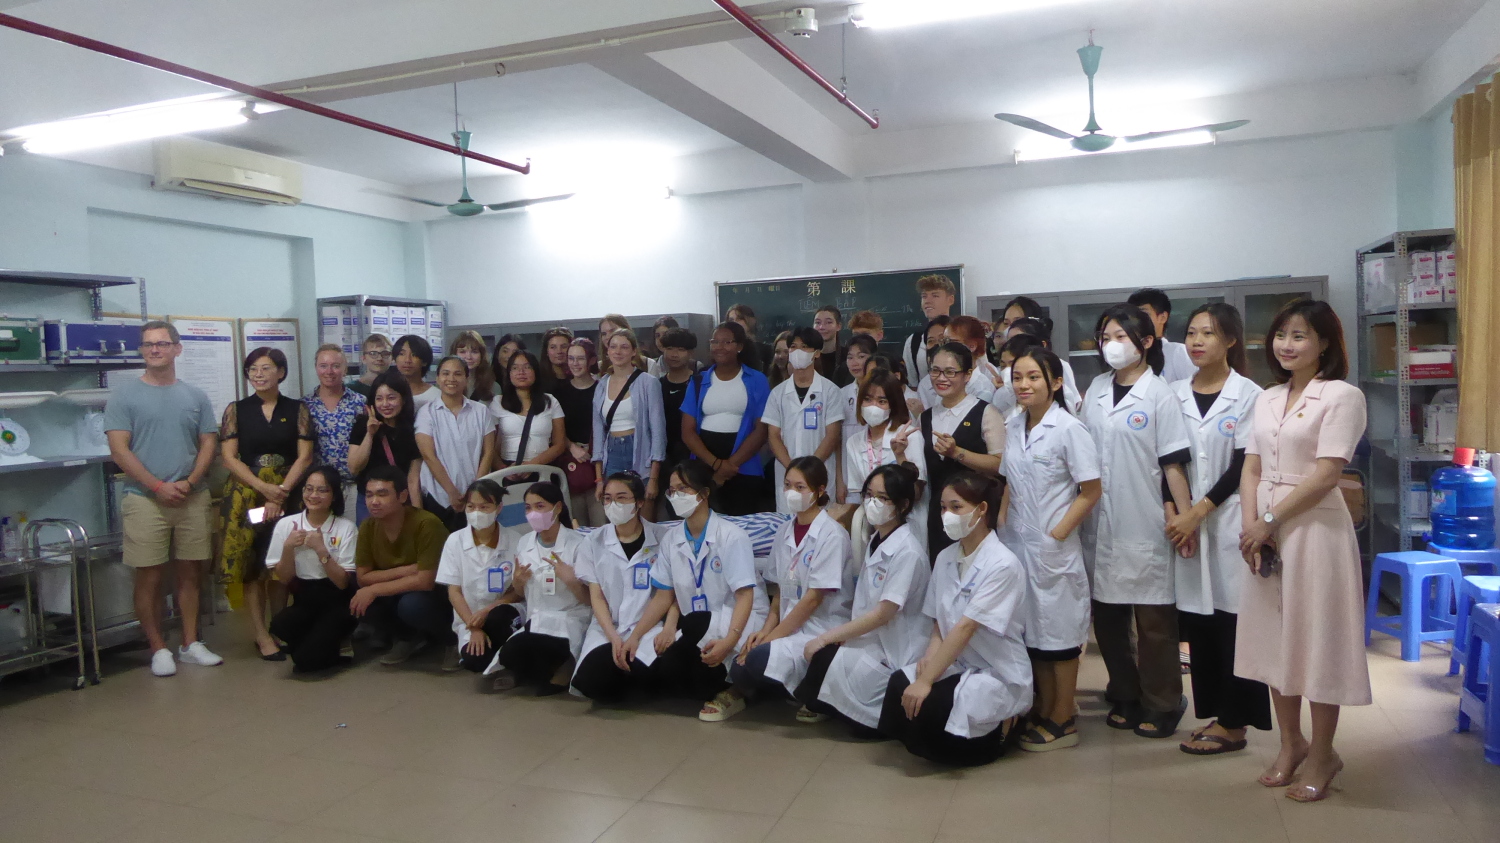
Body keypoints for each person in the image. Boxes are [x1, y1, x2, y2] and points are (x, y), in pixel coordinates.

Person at [1235, 300, 1368, 802]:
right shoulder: (1266, 397)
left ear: (1326, 344)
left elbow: (1327, 473)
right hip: (1263, 534)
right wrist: (1252, 524)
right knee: (1274, 641)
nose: (1287, 345)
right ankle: (1291, 743)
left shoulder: (1341, 396)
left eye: (1300, 336)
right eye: (1281, 335)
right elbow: (1250, 466)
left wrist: (1269, 520)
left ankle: (1323, 753)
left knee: (1317, 640)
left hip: (1314, 530)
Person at [1161, 303, 1272, 756]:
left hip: (1228, 523)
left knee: (1233, 624)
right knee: (1200, 626)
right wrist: (1178, 514)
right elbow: (1167, 459)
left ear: (1230, 340)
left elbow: (1242, 466)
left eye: (1209, 333)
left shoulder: (1249, 395)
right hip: (1188, 526)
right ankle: (1217, 716)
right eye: (1191, 333)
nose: (1197, 341)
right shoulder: (1172, 393)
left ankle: (1235, 723)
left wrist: (1196, 514)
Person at [1081, 304, 1193, 739]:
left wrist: (1184, 520)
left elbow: (1173, 464)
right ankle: (1124, 691)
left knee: (1154, 624)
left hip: (1144, 520)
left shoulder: (1160, 394)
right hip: (1098, 523)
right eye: (1105, 337)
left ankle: (1164, 700)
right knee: (1107, 617)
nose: (1111, 345)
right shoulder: (1095, 388)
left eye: (1121, 337)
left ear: (1146, 342)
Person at [880, 471, 1031, 766]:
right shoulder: (946, 557)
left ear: (982, 509)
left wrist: (927, 679)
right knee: (900, 683)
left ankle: (1004, 728)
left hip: (995, 668)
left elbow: (965, 627)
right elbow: (939, 621)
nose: (946, 515)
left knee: (932, 704)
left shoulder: (1003, 564)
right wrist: (930, 658)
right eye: (943, 508)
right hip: (958, 661)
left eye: (956, 507)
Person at [104, 320, 223, 677]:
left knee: (191, 571)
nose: (154, 350)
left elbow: (208, 443)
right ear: (142, 351)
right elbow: (119, 449)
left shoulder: (195, 396)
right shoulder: (124, 396)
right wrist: (157, 486)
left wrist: (190, 480)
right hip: (144, 499)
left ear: (177, 348)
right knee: (150, 575)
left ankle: (190, 643)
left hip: (191, 495)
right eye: (148, 345)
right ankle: (158, 648)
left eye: (161, 343)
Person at [997, 347, 1102, 751]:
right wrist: (1003, 526)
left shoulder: (1068, 429)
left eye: (1033, 377)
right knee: (1033, 632)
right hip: (1019, 545)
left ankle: (1064, 717)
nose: (1023, 385)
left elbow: (1091, 490)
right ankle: (1044, 707)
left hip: (1053, 547)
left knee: (1060, 635)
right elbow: (1008, 480)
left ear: (1056, 382)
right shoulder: (1013, 422)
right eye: (1017, 378)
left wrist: (1057, 533)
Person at [795, 464, 930, 734]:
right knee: (819, 661)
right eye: (869, 494)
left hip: (895, 652)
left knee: (823, 656)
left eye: (882, 498)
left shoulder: (907, 552)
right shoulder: (878, 540)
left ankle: (867, 716)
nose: (872, 503)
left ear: (903, 505)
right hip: (872, 641)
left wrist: (827, 636)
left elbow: (882, 614)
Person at [633, 460, 765, 720]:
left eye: (683, 489)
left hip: (737, 619)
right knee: (663, 674)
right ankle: (725, 684)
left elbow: (745, 595)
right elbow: (665, 594)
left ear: (704, 494)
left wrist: (729, 640)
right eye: (671, 491)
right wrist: (642, 635)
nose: (675, 496)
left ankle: (738, 689)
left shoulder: (731, 536)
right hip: (695, 623)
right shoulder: (672, 538)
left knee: (696, 635)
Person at [726, 457, 854, 721]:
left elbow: (812, 599)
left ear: (819, 491)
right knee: (738, 666)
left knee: (756, 660)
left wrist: (771, 639)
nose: (792, 493)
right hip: (789, 625)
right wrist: (765, 631)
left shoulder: (833, 535)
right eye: (787, 485)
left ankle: (814, 690)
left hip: (821, 626)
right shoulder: (784, 530)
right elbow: (780, 594)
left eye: (800, 487)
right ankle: (793, 686)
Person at [219, 347, 316, 660]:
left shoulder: (297, 408)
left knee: (278, 564)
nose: (258, 375)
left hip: (287, 493)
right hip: (247, 496)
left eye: (265, 368)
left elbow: (305, 456)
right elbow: (229, 457)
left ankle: (279, 627)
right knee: (252, 567)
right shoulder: (237, 409)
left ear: (281, 372)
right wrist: (263, 488)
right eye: (252, 370)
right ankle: (260, 634)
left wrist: (282, 491)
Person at [569, 473, 667, 702]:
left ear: (639, 502)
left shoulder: (663, 539)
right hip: (608, 626)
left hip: (648, 626)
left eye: (622, 498)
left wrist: (635, 636)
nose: (613, 505)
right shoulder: (593, 541)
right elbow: (598, 598)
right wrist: (613, 637)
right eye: (608, 499)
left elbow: (665, 596)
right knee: (591, 682)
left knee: (650, 675)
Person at [350, 466, 450, 666]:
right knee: (359, 594)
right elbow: (362, 577)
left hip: (438, 594)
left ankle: (451, 640)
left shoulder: (426, 524)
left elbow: (426, 581)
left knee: (411, 604)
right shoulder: (368, 526)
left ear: (403, 496)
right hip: (401, 587)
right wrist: (410, 569)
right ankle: (408, 637)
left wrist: (375, 588)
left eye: (382, 494)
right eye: (369, 495)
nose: (374, 502)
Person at [266, 465, 359, 673]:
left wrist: (321, 550)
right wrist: (289, 547)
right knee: (279, 626)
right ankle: (318, 643)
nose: (313, 495)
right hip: (305, 597)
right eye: (309, 489)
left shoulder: (346, 528)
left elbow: (342, 582)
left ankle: (337, 641)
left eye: (322, 490)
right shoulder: (286, 525)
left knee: (307, 661)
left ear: (334, 495)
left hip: (336, 599)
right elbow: (283, 578)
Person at [498, 482, 590, 693]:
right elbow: (522, 594)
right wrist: (518, 582)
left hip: (569, 619)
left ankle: (564, 665)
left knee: (540, 651)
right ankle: (545, 668)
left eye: (540, 506)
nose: (533, 513)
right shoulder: (524, 543)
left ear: (558, 508)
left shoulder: (579, 544)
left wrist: (572, 580)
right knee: (509, 654)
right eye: (528, 508)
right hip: (537, 618)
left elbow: (590, 599)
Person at [919, 342, 1005, 559]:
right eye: (935, 371)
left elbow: (1000, 464)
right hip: (940, 512)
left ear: (967, 375)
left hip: (976, 512)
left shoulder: (985, 411)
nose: (941, 378)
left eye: (950, 372)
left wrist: (957, 452)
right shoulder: (926, 417)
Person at [680, 322, 771, 516]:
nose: (719, 347)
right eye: (715, 342)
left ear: (739, 346)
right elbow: (687, 431)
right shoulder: (698, 380)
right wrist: (716, 465)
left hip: (744, 465)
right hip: (704, 466)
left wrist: (730, 466)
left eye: (726, 342)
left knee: (743, 527)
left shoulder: (757, 379)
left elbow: (761, 430)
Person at [436, 479, 523, 678]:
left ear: (499, 508)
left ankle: (511, 662)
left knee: (498, 620)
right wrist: (473, 626)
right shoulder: (455, 541)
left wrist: (489, 610)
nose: (477, 512)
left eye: (484, 507)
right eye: (471, 506)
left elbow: (518, 592)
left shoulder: (516, 541)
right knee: (475, 661)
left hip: (503, 612)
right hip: (469, 618)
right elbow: (454, 591)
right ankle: (499, 659)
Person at [763, 327, 845, 514]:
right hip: (787, 474)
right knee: (789, 530)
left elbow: (832, 435)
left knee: (821, 528)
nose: (797, 351)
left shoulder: (830, 391)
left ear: (816, 353)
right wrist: (793, 470)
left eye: (804, 347)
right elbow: (773, 436)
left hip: (819, 474)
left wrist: (809, 471)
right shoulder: (778, 393)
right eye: (793, 346)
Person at [415, 357, 494, 532]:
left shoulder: (481, 411)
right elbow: (428, 455)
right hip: (439, 497)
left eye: (458, 374)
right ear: (437, 378)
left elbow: (488, 452)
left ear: (466, 379)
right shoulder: (426, 413)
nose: (451, 379)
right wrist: (451, 492)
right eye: (446, 373)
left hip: (477, 499)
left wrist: (476, 491)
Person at [592, 329, 666, 504]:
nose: (618, 352)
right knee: (617, 512)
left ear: (633, 351)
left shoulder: (648, 382)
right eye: (613, 347)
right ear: (607, 351)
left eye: (624, 347)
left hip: (640, 449)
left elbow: (658, 431)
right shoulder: (601, 384)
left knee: (643, 513)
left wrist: (654, 479)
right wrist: (599, 479)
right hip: (612, 451)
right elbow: (598, 432)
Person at [843, 370, 926, 512]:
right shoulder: (853, 442)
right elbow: (858, 494)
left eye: (882, 401)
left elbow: (916, 494)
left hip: (908, 521)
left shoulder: (910, 436)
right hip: (873, 521)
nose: (873, 407)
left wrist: (900, 456)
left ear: (893, 405)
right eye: (867, 399)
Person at [346, 370, 423, 523]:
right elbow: (354, 468)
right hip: (369, 502)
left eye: (391, 397)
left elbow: (413, 480)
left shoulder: (412, 429)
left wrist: (419, 517)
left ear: (404, 399)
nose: (385, 404)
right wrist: (370, 434)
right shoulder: (362, 425)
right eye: (379, 399)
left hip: (399, 502)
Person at [490, 352, 566, 480]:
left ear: (536, 371)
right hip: (507, 471)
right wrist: (503, 469)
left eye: (527, 367)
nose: (521, 372)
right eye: (515, 368)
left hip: (543, 468)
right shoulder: (498, 402)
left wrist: (532, 465)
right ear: (509, 373)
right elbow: (489, 446)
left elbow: (559, 444)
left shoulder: (550, 401)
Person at [306, 344, 367, 502]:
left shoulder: (360, 403)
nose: (329, 371)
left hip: (353, 486)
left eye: (336, 366)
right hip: (317, 488)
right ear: (316, 368)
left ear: (345, 369)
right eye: (323, 366)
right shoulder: (304, 405)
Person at [556, 338, 605, 526]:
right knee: (578, 524)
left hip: (598, 462)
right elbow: (555, 430)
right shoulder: (559, 393)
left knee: (601, 521)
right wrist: (571, 447)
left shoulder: (602, 388)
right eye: (571, 358)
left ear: (591, 360)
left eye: (580, 358)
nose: (575, 364)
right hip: (572, 463)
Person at [993, 321, 1083, 415]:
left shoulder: (1065, 421)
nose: (1023, 385)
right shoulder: (1003, 398)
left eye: (1033, 377)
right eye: (1003, 366)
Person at [1128, 287, 1195, 383]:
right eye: (1133, 315)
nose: (1137, 320)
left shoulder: (1179, 352)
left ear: (1163, 317)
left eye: (1143, 314)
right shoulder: (1128, 352)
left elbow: (1192, 389)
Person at [902, 273, 957, 386]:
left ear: (950, 300)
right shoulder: (914, 342)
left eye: (935, 296)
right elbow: (912, 384)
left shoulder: (963, 334)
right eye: (924, 296)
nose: (928, 301)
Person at [657, 328, 698, 472]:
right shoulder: (657, 385)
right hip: (663, 458)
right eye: (669, 349)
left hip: (694, 456)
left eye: (681, 349)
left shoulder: (700, 383)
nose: (674, 355)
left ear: (691, 352)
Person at [393, 334, 438, 411]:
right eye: (402, 354)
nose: (407, 360)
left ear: (424, 361)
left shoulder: (436, 395)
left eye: (414, 355)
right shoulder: (387, 391)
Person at [451, 330, 496, 403]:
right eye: (462, 352)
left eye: (474, 352)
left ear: (482, 355)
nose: (468, 357)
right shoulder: (446, 384)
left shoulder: (493, 386)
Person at [812, 305, 852, 386]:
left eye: (828, 322)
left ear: (838, 326)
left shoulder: (849, 356)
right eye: (817, 322)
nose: (822, 327)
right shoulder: (808, 356)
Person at [726, 303, 771, 373]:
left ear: (750, 321)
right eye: (731, 320)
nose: (735, 323)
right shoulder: (725, 350)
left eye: (739, 319)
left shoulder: (766, 350)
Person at [348, 333, 392, 400]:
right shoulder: (351, 389)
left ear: (392, 358)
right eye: (373, 354)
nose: (379, 358)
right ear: (363, 359)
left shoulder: (397, 388)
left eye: (385, 353)